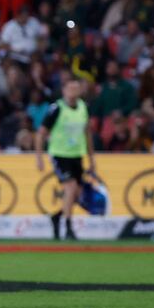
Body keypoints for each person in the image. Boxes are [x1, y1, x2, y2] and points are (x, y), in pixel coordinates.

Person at [35, 78, 96, 240]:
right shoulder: (56, 109)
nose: (73, 92)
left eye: (76, 88)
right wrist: (39, 157)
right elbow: (41, 133)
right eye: (70, 88)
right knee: (71, 187)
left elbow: (87, 133)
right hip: (60, 154)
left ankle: (57, 217)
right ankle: (68, 227)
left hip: (77, 154)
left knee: (77, 194)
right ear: (64, 90)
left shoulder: (83, 107)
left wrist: (92, 158)